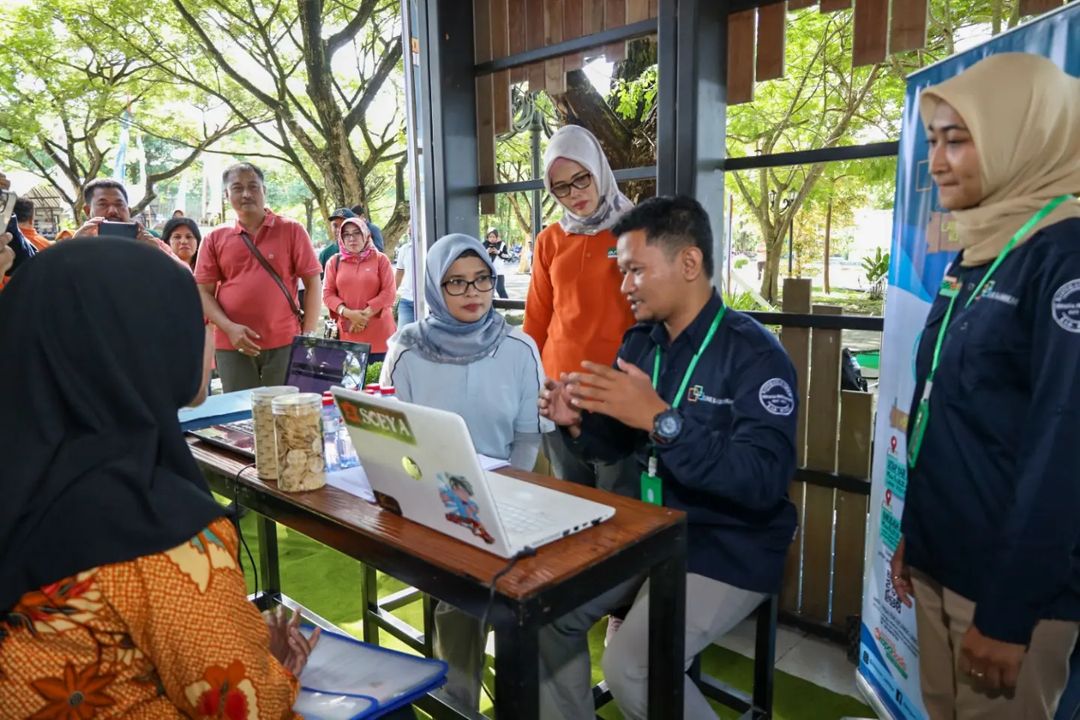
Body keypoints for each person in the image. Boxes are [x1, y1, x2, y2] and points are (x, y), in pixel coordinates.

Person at [0, 239, 321, 718]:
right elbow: (248, 706)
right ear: (144, 346)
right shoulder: (157, 535)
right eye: (195, 324)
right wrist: (274, 666)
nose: (207, 339)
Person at [538, 195, 798, 720]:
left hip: (726, 542)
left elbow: (763, 481)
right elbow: (615, 444)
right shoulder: (640, 345)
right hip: (647, 531)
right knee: (545, 613)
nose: (625, 286)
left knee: (632, 667)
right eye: (622, 271)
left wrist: (662, 420)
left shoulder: (755, 355)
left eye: (635, 270)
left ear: (689, 262)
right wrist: (577, 424)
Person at [888, 53, 1080, 720]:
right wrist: (918, 536)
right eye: (933, 141)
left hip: (1007, 594)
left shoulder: (1064, 259)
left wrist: (1008, 613)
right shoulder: (979, 252)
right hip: (942, 558)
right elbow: (948, 415)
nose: (936, 163)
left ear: (1023, 137)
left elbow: (1063, 450)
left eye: (958, 140)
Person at [380, 233, 552, 711]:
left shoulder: (519, 347)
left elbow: (528, 438)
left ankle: (526, 694)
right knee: (459, 597)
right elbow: (392, 438)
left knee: (529, 598)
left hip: (516, 488)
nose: (472, 292)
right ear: (434, 287)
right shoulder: (407, 351)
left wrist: (501, 500)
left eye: (481, 279)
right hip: (435, 497)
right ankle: (458, 703)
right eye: (455, 282)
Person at [523, 124, 638, 497]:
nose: (574, 194)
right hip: (559, 391)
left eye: (581, 179)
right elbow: (537, 318)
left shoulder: (636, 231)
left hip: (615, 391)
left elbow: (651, 315)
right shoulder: (550, 240)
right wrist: (531, 384)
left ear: (597, 169)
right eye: (561, 187)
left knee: (620, 508)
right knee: (569, 502)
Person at [194, 162, 323, 393]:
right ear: (227, 195)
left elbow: (313, 283)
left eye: (253, 186)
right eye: (237, 188)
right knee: (240, 410)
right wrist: (229, 328)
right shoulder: (214, 237)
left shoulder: (292, 230)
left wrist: (308, 336)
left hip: (285, 341)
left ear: (264, 190)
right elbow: (203, 291)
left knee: (285, 407)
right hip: (233, 344)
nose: (246, 194)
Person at [323, 217, 397, 361]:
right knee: (350, 375)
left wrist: (361, 317)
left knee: (380, 375)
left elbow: (389, 293)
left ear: (365, 234)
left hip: (380, 335)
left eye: (357, 233)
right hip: (348, 335)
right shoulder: (334, 262)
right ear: (341, 238)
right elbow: (327, 294)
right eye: (346, 234)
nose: (352, 238)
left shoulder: (380, 259)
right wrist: (349, 314)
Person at [72, 179, 182, 260]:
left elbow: (185, 278)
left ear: (128, 211)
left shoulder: (152, 242)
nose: (113, 211)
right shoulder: (76, 243)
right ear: (87, 211)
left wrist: (156, 255)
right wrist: (74, 249)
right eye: (103, 204)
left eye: (119, 204)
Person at [319, 207, 358, 272]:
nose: (339, 229)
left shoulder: (365, 251)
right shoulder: (325, 254)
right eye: (335, 226)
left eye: (344, 225)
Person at [394, 232, 417, 326]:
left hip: (428, 302)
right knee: (403, 333)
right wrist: (392, 295)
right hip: (406, 301)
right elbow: (399, 273)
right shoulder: (405, 249)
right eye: (409, 226)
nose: (409, 230)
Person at [483, 227, 512, 299]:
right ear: (487, 237)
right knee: (489, 292)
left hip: (499, 272)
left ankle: (507, 304)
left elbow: (508, 257)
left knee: (501, 290)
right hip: (487, 272)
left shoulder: (502, 244)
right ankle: (491, 305)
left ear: (496, 237)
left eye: (493, 237)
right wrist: (487, 252)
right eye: (490, 237)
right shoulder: (484, 245)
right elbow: (480, 257)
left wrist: (498, 252)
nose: (492, 238)